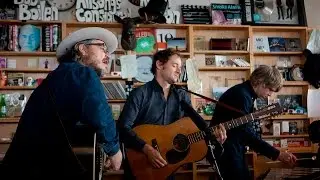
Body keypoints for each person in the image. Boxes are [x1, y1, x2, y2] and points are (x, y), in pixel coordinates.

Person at [1, 27, 122, 180]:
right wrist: (114, 150)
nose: (107, 54)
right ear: (82, 49)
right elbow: (100, 112)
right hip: (38, 168)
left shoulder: (61, 75)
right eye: (101, 47)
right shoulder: (82, 73)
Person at [118, 48, 227, 180]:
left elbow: (191, 131)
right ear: (159, 65)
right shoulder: (140, 94)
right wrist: (146, 149)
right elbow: (123, 128)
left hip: (168, 166)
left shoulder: (182, 96)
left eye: (180, 67)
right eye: (174, 65)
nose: (179, 71)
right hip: (140, 164)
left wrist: (212, 137)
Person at [209, 65, 297, 180]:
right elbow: (245, 133)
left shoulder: (246, 94)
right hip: (226, 150)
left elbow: (245, 130)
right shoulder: (242, 96)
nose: (271, 94)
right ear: (261, 82)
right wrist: (277, 154)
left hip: (231, 148)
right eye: (270, 89)